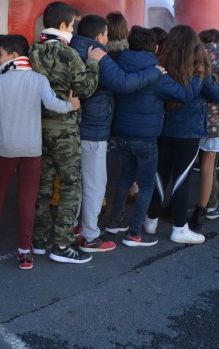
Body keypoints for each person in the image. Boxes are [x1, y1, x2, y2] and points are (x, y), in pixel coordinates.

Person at [0, 34, 81, 269]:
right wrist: (70, 106)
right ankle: (25, 251)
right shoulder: (38, 79)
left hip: (4, 148)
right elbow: (53, 104)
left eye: (1, 54)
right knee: (27, 199)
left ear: (14, 55)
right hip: (32, 149)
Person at [70, 15, 163, 252]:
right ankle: (90, 236)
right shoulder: (97, 53)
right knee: (94, 184)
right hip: (93, 130)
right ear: (100, 35)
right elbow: (124, 83)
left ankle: (72, 228)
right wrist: (155, 72)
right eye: (107, 35)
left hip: (72, 128)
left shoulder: (71, 49)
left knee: (76, 183)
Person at [106, 27, 196, 246]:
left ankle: (115, 222)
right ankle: (134, 233)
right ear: (155, 47)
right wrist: (198, 74)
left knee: (126, 177)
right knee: (146, 184)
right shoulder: (155, 72)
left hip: (121, 134)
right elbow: (183, 95)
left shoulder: (117, 65)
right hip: (146, 137)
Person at [29, 2, 103, 264]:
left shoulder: (33, 49)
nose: (73, 30)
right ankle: (62, 243)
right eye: (72, 25)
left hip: (38, 127)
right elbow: (85, 87)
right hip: (65, 127)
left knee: (44, 184)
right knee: (71, 183)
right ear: (63, 26)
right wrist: (93, 63)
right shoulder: (68, 53)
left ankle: (38, 240)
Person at [154, 26, 219, 244]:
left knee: (160, 174)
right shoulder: (200, 71)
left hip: (162, 129)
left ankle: (150, 220)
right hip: (188, 133)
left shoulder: (161, 66)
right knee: (182, 180)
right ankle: (180, 227)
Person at [191, 29, 219, 229]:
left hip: (193, 122)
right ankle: (206, 208)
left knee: (185, 166)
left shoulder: (195, 62)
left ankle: (174, 204)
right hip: (217, 124)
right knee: (209, 169)